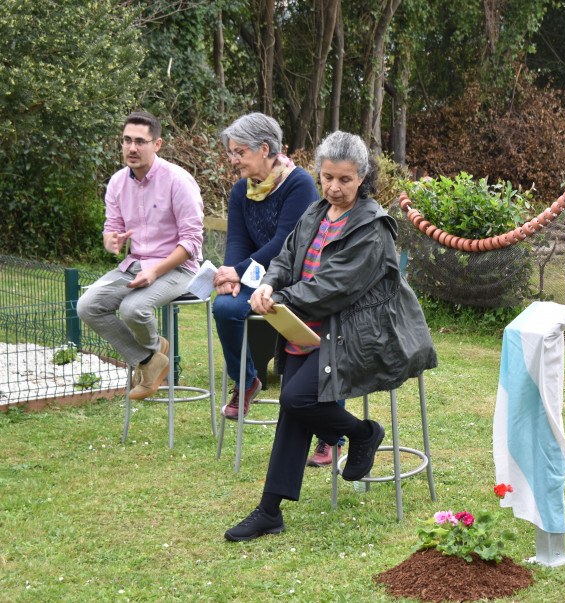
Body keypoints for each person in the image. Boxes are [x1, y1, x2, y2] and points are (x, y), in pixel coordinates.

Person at [224, 131, 438, 542]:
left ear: (362, 178)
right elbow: (285, 257)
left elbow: (333, 288)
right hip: (304, 325)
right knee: (294, 406)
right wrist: (269, 284)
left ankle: (363, 434)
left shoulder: (373, 228)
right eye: (327, 178)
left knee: (295, 398)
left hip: (355, 336)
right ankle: (270, 510)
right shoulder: (315, 212)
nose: (334, 188)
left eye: (345, 179)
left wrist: (279, 296)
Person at [77, 111, 203, 400]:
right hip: (134, 265)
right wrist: (111, 241)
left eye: (140, 142)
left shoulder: (178, 181)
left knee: (133, 309)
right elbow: (112, 229)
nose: (132, 148)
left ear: (156, 144)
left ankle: (149, 358)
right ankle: (149, 358)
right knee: (87, 306)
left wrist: (156, 271)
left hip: (179, 267)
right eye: (126, 141)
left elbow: (192, 242)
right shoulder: (117, 182)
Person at [213, 113, 318, 420]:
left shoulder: (299, 184)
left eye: (239, 152)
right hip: (257, 274)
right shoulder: (240, 191)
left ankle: (323, 423)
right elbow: (236, 241)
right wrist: (230, 275)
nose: (233, 160)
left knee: (316, 330)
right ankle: (247, 382)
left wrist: (239, 269)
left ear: (263, 148)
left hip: (294, 276)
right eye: (231, 152)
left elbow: (286, 244)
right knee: (224, 308)